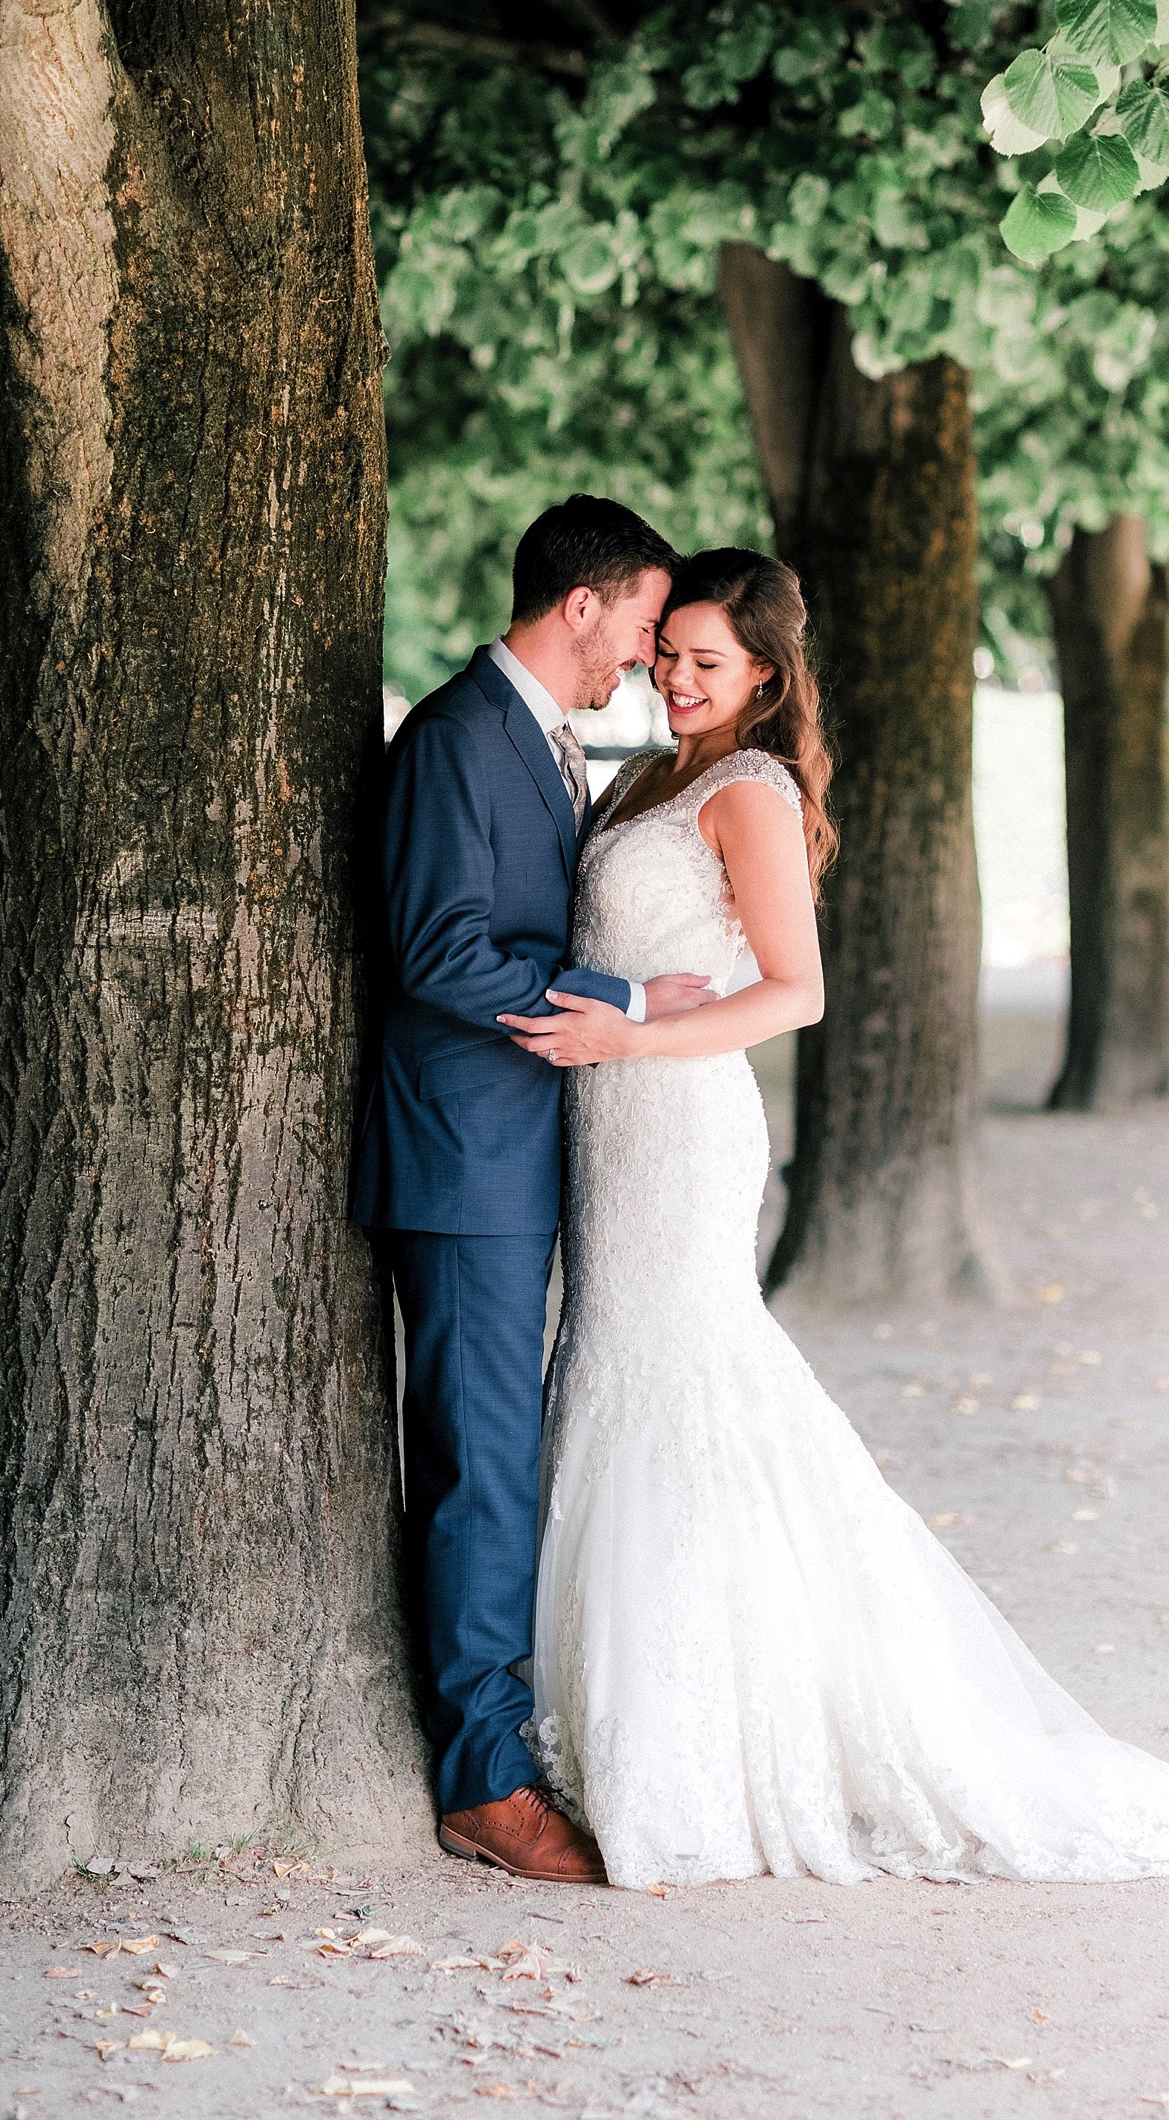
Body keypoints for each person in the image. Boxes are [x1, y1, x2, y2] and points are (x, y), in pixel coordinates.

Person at [499, 547, 1169, 1888]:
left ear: (768, 679)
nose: (674, 678)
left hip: (677, 1132)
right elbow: (649, 959)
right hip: (609, 1128)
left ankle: (697, 1745)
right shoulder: (648, 772)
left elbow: (796, 993)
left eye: (706, 664)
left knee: (684, 1386)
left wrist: (639, 1031)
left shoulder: (750, 791)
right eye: (668, 652)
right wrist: (636, 1004)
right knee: (615, 1375)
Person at [352, 496, 714, 1884]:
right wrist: (619, 997)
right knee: (477, 1469)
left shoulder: (544, 738)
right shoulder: (455, 737)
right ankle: (485, 1781)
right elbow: (438, 953)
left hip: (508, 1151)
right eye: (637, 625)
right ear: (585, 605)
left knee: (494, 1459)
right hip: (461, 1159)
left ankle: (494, 1740)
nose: (642, 657)